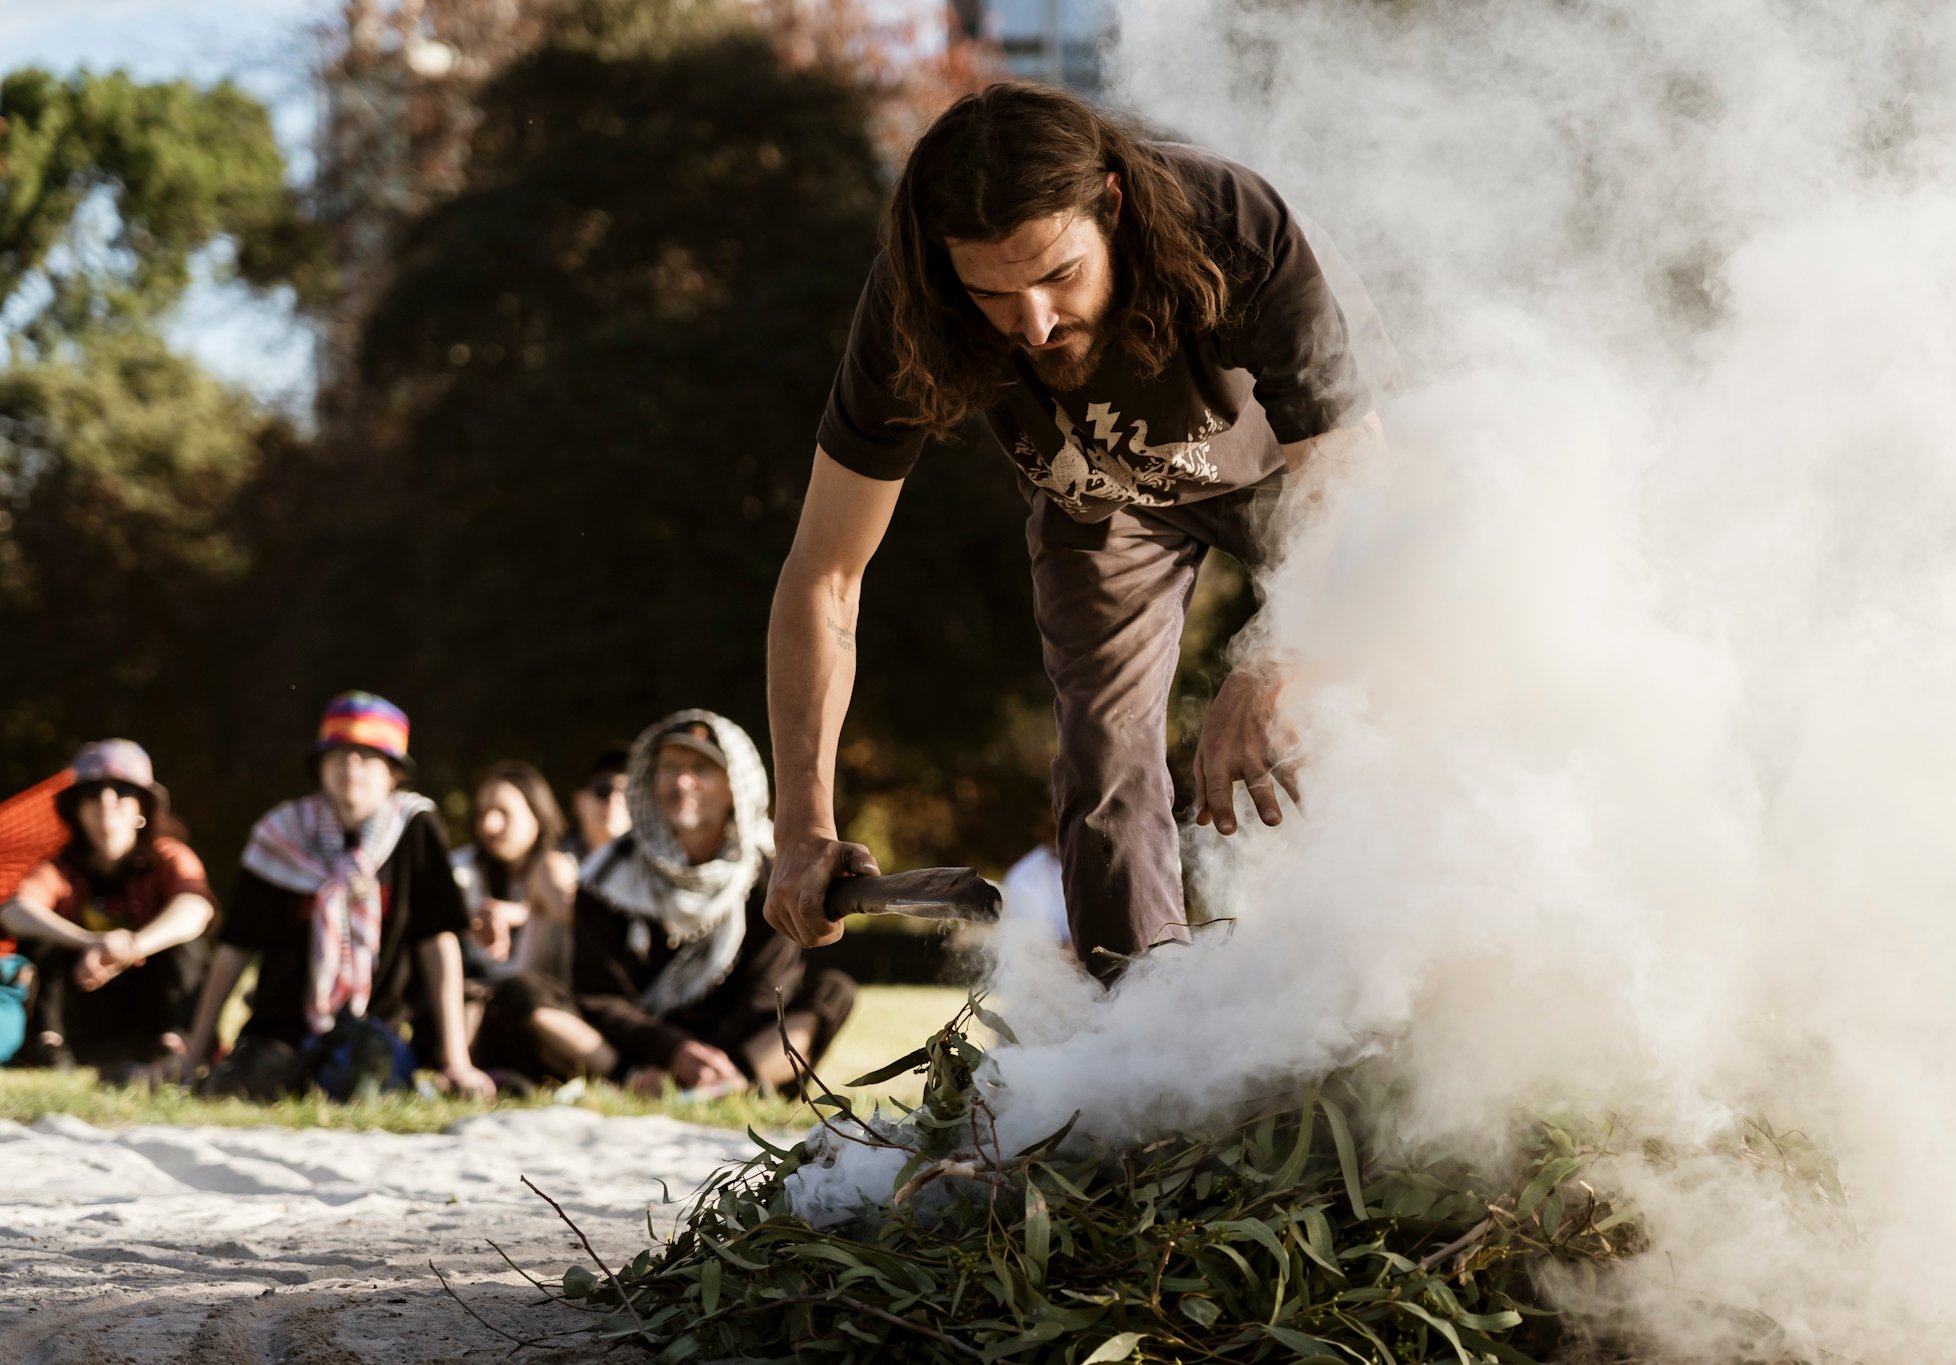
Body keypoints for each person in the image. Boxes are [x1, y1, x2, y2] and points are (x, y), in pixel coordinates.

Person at [764, 82, 1377, 979]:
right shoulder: (914, 305)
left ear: (1113, 207)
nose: (1037, 324)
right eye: (995, 294)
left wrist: (1275, 655)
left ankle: (1383, 988)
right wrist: (800, 824)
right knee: (1100, 758)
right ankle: (1139, 1044)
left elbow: (1362, 506)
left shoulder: (1236, 230)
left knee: (1365, 683)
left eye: (1059, 275)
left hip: (1299, 470)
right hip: (1103, 493)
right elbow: (825, 574)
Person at [491, 710, 855, 1095]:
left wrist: (711, 1059)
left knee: (834, 991)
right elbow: (601, 996)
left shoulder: (772, 873)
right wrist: (671, 1049)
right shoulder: (607, 875)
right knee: (522, 991)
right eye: (669, 767)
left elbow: (768, 990)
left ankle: (738, 1083)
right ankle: (632, 1080)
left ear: (734, 785)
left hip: (738, 1046)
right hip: (634, 1047)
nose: (682, 782)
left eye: (701, 768)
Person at [185, 693, 495, 1100]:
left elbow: (438, 940)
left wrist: (457, 1061)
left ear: (393, 773)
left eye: (366, 756)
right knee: (240, 1090)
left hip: (377, 1024)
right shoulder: (281, 835)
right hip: (282, 1027)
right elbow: (235, 949)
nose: (350, 766)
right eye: (338, 755)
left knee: (362, 1087)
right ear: (320, 767)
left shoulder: (414, 828)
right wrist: (192, 1055)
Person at [0, 740, 215, 1081]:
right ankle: (47, 1045)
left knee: (186, 948)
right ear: (75, 809)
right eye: (92, 792)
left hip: (148, 1005)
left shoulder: (169, 857)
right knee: (40, 942)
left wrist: (132, 947)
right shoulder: (60, 867)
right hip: (85, 1002)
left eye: (122, 790)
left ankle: (173, 1046)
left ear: (144, 806)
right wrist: (88, 941)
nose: (106, 800)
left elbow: (195, 910)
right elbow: (14, 912)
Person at [451, 761, 577, 1082]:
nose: (490, 825)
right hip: (491, 1022)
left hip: (555, 1009)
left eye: (504, 813)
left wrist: (521, 912)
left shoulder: (557, 866)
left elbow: (573, 913)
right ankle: (460, 1074)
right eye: (482, 814)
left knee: (519, 993)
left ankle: (621, 1072)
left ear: (537, 815)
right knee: (471, 995)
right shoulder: (465, 871)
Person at [562, 745, 631, 863]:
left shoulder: (653, 865)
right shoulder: (551, 861)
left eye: (625, 791)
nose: (613, 799)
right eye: (602, 789)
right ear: (578, 801)